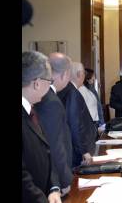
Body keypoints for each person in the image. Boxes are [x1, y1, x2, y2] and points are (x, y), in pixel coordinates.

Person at [22, 51, 61, 203]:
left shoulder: (32, 110)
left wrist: (53, 187)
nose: (51, 86)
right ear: (37, 83)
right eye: (49, 81)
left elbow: (46, 151)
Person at [34, 52, 74, 197]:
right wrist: (62, 181)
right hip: (55, 180)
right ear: (64, 75)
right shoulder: (51, 102)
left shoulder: (44, 97)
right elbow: (54, 145)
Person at [57, 62, 97, 167]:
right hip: (77, 151)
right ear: (80, 74)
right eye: (84, 73)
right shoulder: (72, 93)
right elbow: (74, 123)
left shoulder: (68, 90)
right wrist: (84, 151)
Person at [79, 68, 105, 134]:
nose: (94, 78)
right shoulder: (81, 89)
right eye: (93, 76)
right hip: (90, 123)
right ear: (88, 77)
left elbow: (98, 106)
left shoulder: (91, 88)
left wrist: (101, 123)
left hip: (96, 122)